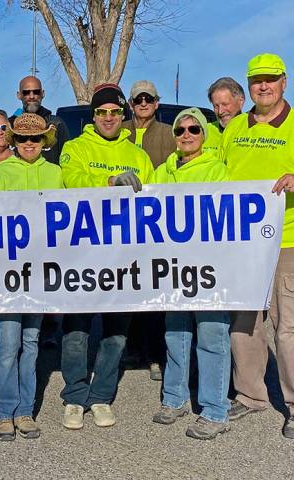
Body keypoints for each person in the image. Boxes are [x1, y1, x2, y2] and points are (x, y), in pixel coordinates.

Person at [59, 83, 153, 430]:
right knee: (77, 329)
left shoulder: (138, 154)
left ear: (123, 115)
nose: (109, 118)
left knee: (116, 332)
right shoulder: (75, 147)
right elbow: (72, 181)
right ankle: (74, 395)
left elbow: (154, 196)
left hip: (122, 255)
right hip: (82, 253)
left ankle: (100, 396)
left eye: (115, 112)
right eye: (102, 112)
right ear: (93, 115)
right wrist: (111, 180)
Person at [222, 53, 294, 439]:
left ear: (284, 82)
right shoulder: (234, 127)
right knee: (245, 323)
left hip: (286, 242)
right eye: (256, 80)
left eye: (270, 79)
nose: (263, 86)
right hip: (241, 244)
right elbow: (214, 173)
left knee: (288, 328)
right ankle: (251, 396)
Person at [150, 108, 232, 440]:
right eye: (180, 130)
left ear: (204, 134)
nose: (186, 135)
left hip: (208, 267)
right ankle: (175, 398)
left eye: (194, 129)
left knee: (212, 334)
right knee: (176, 332)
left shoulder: (217, 170)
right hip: (173, 267)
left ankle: (214, 410)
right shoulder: (164, 171)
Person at [0, 113, 63, 440]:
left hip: (40, 273)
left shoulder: (55, 172)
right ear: (14, 142)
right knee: (8, 342)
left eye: (35, 139)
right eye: (22, 139)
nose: (29, 144)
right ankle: (4, 410)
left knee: (31, 342)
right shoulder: (2, 171)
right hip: (8, 272)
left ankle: (25, 410)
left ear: (44, 141)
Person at [121, 80, 174, 380]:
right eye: (138, 98)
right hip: (121, 228)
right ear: (131, 103)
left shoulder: (170, 134)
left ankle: (154, 354)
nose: (143, 103)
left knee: (154, 290)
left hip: (156, 225)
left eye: (148, 98)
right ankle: (130, 349)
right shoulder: (119, 131)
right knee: (127, 289)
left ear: (157, 102)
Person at [8, 76, 69, 164]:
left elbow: (66, 159)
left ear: (43, 94)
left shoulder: (56, 124)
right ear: (19, 95)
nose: (32, 96)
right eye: (26, 93)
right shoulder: (10, 125)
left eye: (36, 92)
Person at [203, 77, 246, 153]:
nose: (220, 111)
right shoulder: (203, 132)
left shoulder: (254, 130)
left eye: (225, 104)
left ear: (241, 101)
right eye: (216, 106)